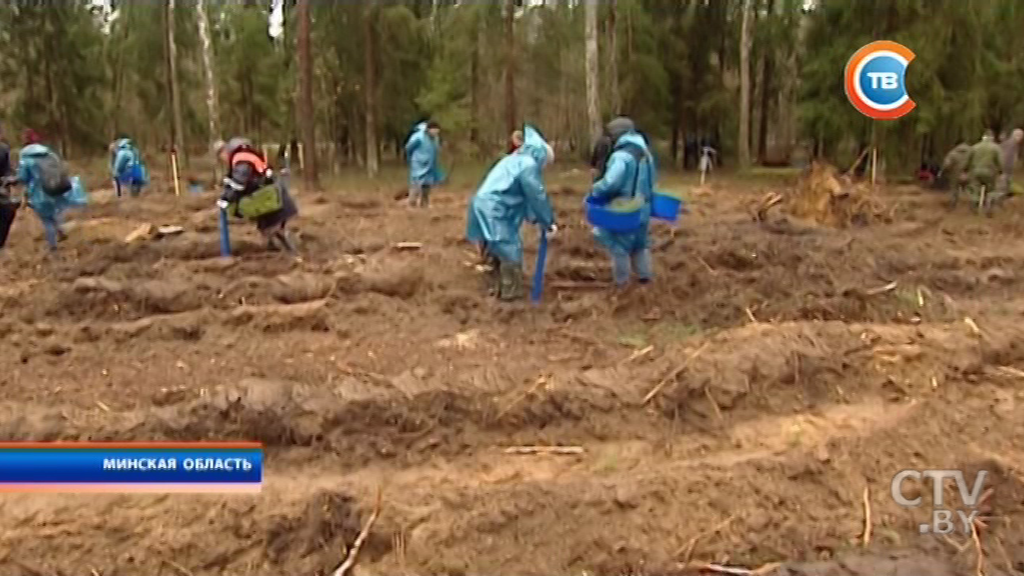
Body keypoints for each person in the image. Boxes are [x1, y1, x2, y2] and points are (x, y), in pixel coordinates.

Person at [466, 125, 557, 301]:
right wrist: (548, 221)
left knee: (494, 248)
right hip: (495, 208)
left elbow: (521, 196)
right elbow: (536, 195)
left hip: (482, 203)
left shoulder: (512, 160)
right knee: (509, 249)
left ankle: (495, 288)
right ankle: (511, 294)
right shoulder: (528, 165)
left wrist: (536, 219)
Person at [588, 118, 655, 289]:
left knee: (619, 246)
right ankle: (644, 279)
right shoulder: (646, 154)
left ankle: (621, 285)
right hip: (644, 206)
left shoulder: (621, 156)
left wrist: (595, 189)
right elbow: (653, 180)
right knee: (640, 244)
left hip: (625, 207)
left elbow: (611, 183)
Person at [2, 129, 87, 251]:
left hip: (39, 193)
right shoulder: (48, 153)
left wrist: (11, 180)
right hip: (55, 187)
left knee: (46, 219)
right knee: (53, 213)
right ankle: (61, 231)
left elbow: (23, 178)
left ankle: (53, 247)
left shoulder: (26, 158)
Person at [215, 137, 299, 255]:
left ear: (224, 152)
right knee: (267, 228)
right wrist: (226, 192)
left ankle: (292, 254)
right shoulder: (241, 157)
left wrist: (226, 199)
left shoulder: (241, 159)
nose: (223, 160)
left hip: (270, 196)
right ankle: (275, 251)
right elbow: (233, 181)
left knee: (275, 227)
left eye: (221, 157)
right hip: (266, 196)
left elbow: (239, 182)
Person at [962, 130, 1003, 214]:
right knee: (991, 190)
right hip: (990, 172)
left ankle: (974, 206)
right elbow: (1000, 161)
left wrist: (965, 170)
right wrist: (1000, 171)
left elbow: (968, 160)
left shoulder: (974, 147)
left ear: (982, 137)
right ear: (992, 137)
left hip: (976, 172)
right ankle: (989, 207)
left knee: (975, 189)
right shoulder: (996, 147)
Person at [404, 120, 444, 208]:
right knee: (416, 184)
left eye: (437, 130)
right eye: (434, 130)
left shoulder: (435, 138)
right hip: (418, 164)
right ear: (429, 129)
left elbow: (436, 150)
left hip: (430, 164)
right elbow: (408, 148)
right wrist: (411, 159)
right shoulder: (418, 137)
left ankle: (424, 204)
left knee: (427, 184)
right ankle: (412, 204)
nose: (435, 132)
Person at [590, 117, 635, 182]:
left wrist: (593, 165)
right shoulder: (622, 144)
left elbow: (595, 154)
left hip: (601, 168)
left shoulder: (602, 140)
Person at [993, 128, 1024, 205]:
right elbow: (1006, 158)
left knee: (1004, 187)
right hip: (1005, 170)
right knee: (1002, 187)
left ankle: (998, 203)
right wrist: (1004, 170)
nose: (1021, 139)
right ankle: (995, 203)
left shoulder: (1009, 143)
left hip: (1004, 170)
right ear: (1016, 136)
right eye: (1020, 136)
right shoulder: (1011, 144)